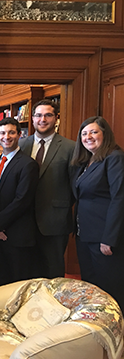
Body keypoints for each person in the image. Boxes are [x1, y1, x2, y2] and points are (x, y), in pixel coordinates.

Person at [71, 116, 124, 309]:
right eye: (84, 134)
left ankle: (117, 332)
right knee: (92, 286)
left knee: (110, 290)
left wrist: (109, 238)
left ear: (105, 134)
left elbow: (119, 198)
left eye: (94, 132)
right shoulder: (87, 162)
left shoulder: (115, 158)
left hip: (104, 237)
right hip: (85, 234)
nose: (88, 137)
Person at [19, 100, 75, 278]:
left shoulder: (70, 147)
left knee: (53, 270)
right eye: (38, 115)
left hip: (54, 221)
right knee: (27, 269)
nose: (42, 119)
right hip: (24, 220)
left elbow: (75, 186)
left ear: (56, 118)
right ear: (33, 119)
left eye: (48, 115)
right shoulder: (21, 145)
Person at [0, 118, 39, 288]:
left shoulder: (28, 164)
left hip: (17, 235)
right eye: (2, 133)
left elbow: (22, 200)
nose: (6, 136)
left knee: (18, 285)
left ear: (19, 135)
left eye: (11, 132)